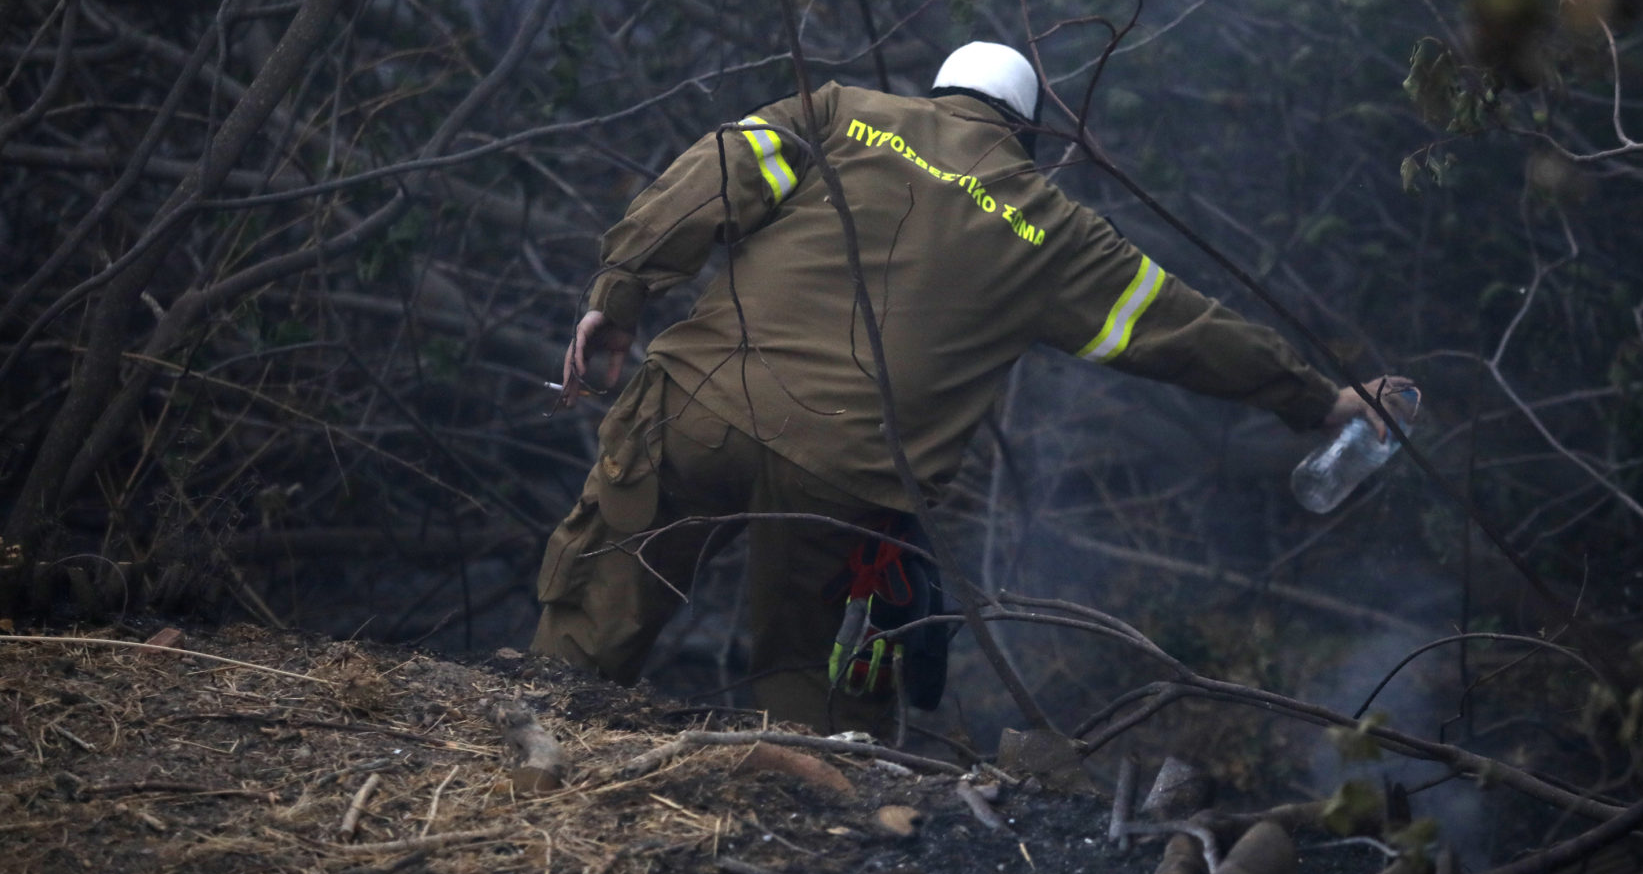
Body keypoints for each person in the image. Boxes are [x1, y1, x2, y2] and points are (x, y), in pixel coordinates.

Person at [530, 41, 1409, 729]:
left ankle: (526, 743)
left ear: (938, 92)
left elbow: (703, 183)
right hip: (846, 477)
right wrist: (1317, 399)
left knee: (600, 595)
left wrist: (617, 300)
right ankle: (808, 849)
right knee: (814, 684)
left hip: (697, 408)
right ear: (1024, 135)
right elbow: (1188, 332)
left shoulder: (838, 112)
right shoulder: (1053, 228)